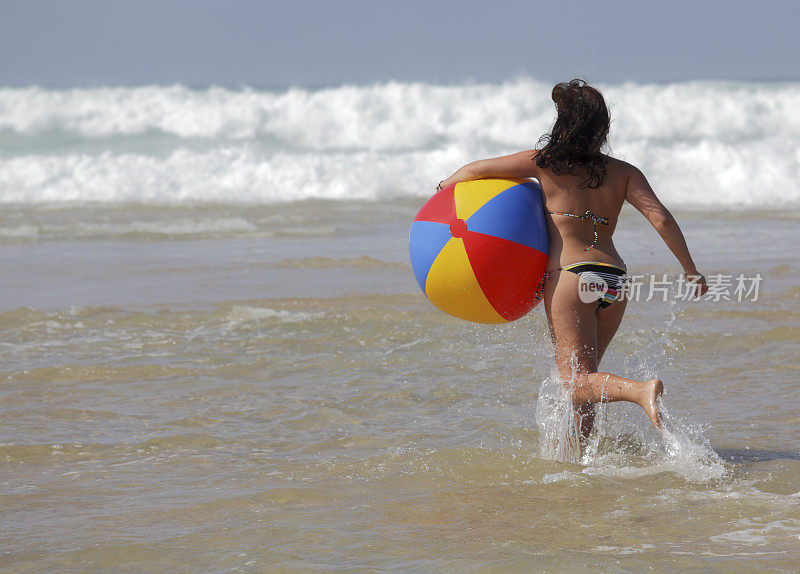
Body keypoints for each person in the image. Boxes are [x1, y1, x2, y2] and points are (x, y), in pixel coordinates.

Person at [436, 79, 708, 444]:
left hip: (572, 276)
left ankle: (640, 391)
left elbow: (473, 171)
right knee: (587, 379)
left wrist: (443, 189)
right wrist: (690, 270)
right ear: (601, 127)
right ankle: (582, 460)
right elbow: (660, 217)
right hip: (614, 280)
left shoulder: (545, 164)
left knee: (573, 381)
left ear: (563, 125)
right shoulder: (624, 172)